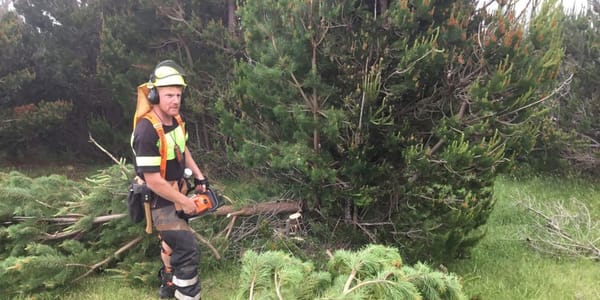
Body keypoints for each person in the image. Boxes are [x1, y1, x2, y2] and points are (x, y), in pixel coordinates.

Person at [131, 60, 207, 300]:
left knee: (171, 244)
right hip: (159, 200)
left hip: (177, 191)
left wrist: (198, 175)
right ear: (155, 95)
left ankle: (169, 286)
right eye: (169, 95)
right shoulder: (146, 131)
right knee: (187, 248)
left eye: (178, 95)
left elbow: (182, 149)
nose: (175, 100)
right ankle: (187, 295)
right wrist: (183, 202)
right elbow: (153, 181)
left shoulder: (175, 120)